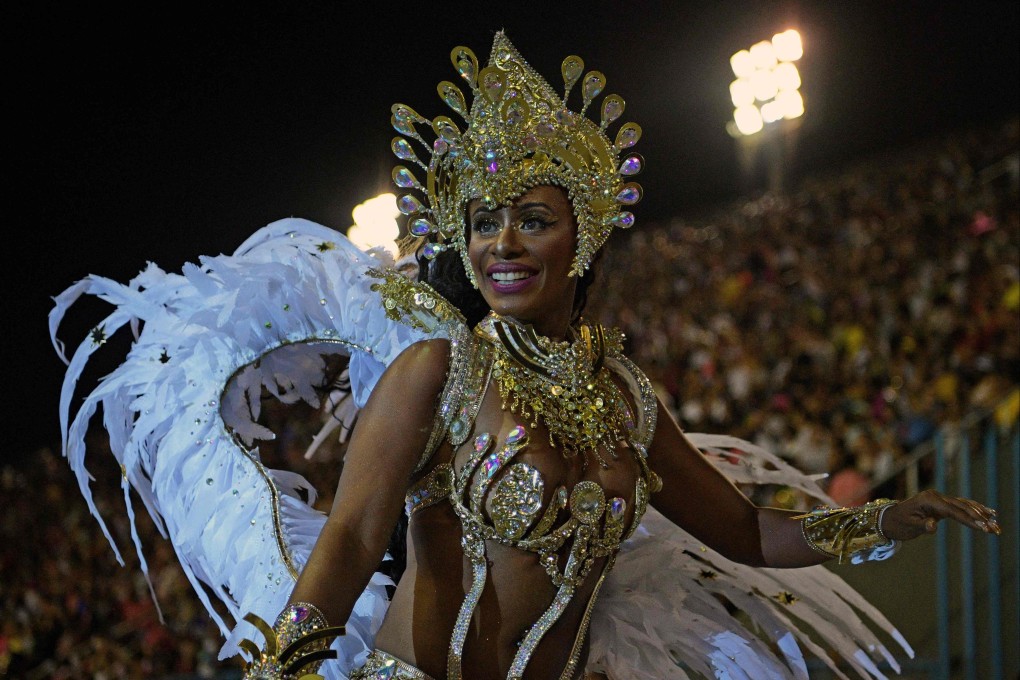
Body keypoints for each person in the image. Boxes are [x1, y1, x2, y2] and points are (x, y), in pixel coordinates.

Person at [52, 33, 999, 680]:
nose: (503, 244)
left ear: (581, 242)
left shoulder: (623, 396)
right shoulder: (438, 370)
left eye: (534, 221)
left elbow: (746, 535)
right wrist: (283, 669)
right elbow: (346, 539)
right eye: (485, 223)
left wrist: (881, 521)